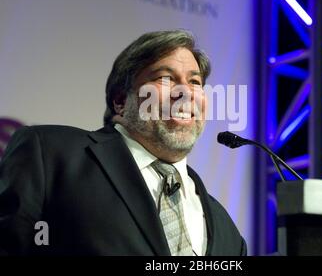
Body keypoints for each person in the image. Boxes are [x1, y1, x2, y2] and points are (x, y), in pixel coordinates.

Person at [0, 30, 247, 255]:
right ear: (120, 101)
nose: (186, 92)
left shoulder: (227, 230)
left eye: (195, 82)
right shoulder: (50, 155)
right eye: (165, 78)